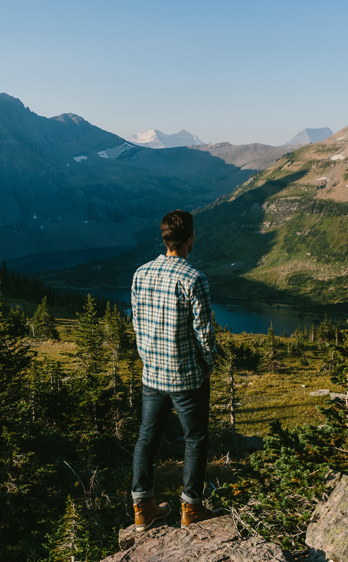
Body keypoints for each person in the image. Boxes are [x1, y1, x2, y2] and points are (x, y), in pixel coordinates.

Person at [130, 209, 222, 531]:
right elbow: (205, 334)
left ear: (164, 237)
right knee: (195, 440)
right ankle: (191, 509)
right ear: (190, 238)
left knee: (146, 439)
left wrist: (147, 358)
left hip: (153, 374)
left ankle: (143, 508)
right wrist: (208, 366)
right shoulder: (194, 279)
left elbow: (137, 323)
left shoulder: (140, 274)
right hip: (186, 377)